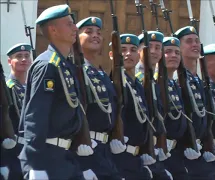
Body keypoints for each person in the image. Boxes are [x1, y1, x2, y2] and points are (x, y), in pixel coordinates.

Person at [19, 4, 94, 179]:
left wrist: (84, 164)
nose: (75, 28)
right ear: (53, 30)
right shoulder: (48, 65)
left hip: (66, 157)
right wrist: (34, 165)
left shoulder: (65, 66)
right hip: (47, 157)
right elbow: (35, 116)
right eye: (69, 24)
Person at [76, 16, 123, 179]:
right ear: (76, 37)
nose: (95, 35)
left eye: (98, 32)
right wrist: (81, 165)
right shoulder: (74, 71)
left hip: (105, 151)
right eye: (88, 32)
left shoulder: (102, 74)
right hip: (84, 150)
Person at [109, 33, 153, 180]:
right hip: (119, 159)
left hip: (136, 160)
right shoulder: (112, 84)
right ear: (112, 55)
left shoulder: (138, 86)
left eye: (133, 50)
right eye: (123, 49)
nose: (128, 54)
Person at [174, 26, 215, 180]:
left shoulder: (198, 80)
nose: (195, 45)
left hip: (198, 152)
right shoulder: (177, 79)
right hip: (181, 152)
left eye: (197, 41)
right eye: (189, 41)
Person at [161, 36, 201, 179]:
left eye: (177, 53)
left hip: (176, 153)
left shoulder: (175, 86)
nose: (173, 56)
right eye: (168, 51)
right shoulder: (156, 85)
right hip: (160, 153)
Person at [136, 31, 173, 180]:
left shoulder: (155, 80)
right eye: (149, 46)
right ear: (139, 50)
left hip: (154, 150)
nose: (154, 51)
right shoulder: (136, 78)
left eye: (158, 47)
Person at [0, 43, 32, 180]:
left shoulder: (32, 88)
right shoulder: (7, 88)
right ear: (9, 61)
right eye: (19, 56)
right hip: (14, 151)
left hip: (32, 150)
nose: (24, 59)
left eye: (26, 56)